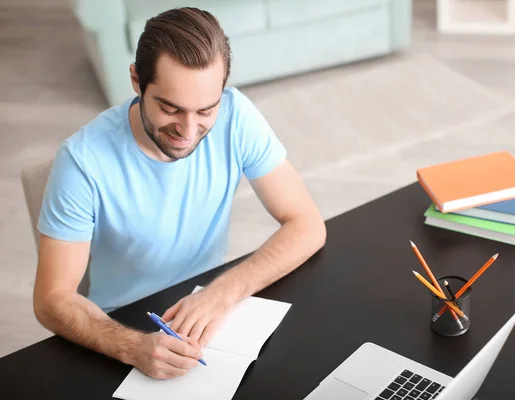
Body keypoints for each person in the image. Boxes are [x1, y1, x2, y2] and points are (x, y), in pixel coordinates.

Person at [32, 7, 326, 380]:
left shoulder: (236, 116)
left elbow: (307, 224)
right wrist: (131, 347)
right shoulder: (82, 162)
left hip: (209, 308)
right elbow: (51, 299)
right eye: (170, 108)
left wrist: (223, 293)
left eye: (206, 110)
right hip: (122, 325)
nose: (188, 131)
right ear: (137, 81)